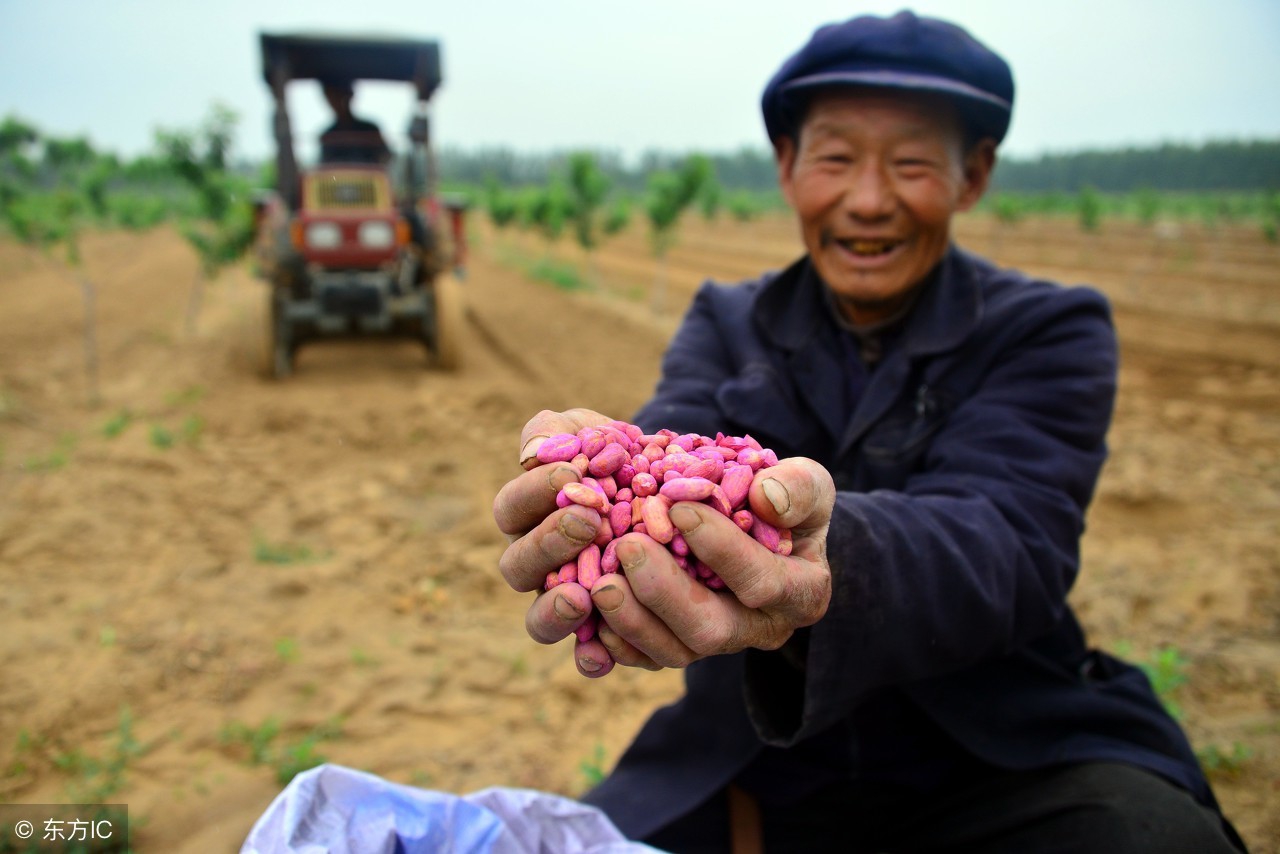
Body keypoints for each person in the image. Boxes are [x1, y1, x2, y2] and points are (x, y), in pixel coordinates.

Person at [492, 11, 1246, 853]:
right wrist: (606, 496)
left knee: (1155, 839)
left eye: (913, 162)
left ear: (973, 176)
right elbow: (666, 467)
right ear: (787, 167)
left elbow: (1009, 541)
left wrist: (826, 546)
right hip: (755, 754)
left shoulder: (1048, 328)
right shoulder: (726, 321)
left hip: (998, 755)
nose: (869, 199)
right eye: (837, 157)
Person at [318, 80, 391, 164]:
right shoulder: (327, 135)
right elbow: (326, 168)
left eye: (339, 95)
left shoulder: (370, 129)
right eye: (332, 97)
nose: (338, 101)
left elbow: (386, 157)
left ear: (350, 96)